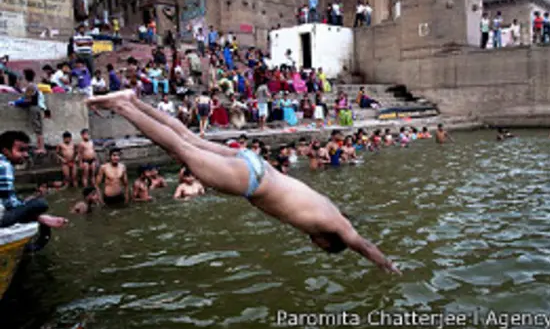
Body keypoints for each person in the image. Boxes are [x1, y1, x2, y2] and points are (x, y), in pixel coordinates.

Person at [87, 91, 400, 274]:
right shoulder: (336, 228)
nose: (313, 244)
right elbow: (363, 245)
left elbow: (356, 231)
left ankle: (134, 101)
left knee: (188, 138)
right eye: (320, 247)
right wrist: (388, 266)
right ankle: (122, 107)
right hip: (252, 180)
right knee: (179, 149)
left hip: (255, 162)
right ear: (327, 241)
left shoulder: (332, 211)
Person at [0, 131, 68, 228]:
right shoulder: (4, 165)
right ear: (5, 151)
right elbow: (10, 204)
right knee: (40, 204)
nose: (26, 154)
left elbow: (5, 199)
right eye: (21, 150)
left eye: (26, 150)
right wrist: (29, 206)